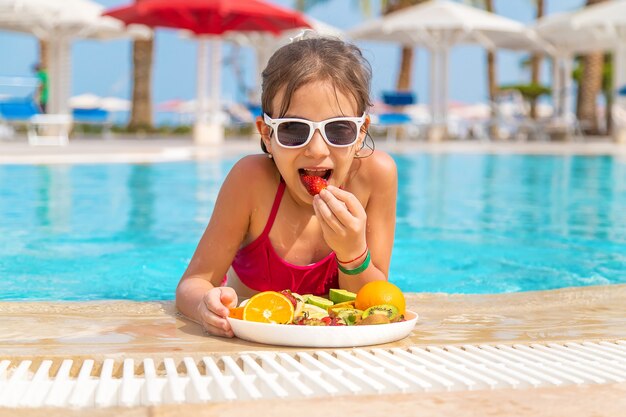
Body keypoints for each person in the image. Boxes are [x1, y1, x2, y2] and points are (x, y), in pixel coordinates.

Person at [176, 36, 398, 338]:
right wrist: (205, 304)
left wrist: (353, 254)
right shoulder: (250, 181)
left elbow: (374, 307)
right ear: (267, 134)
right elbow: (193, 283)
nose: (317, 150)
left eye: (339, 129)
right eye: (294, 129)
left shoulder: (375, 176)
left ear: (361, 133)